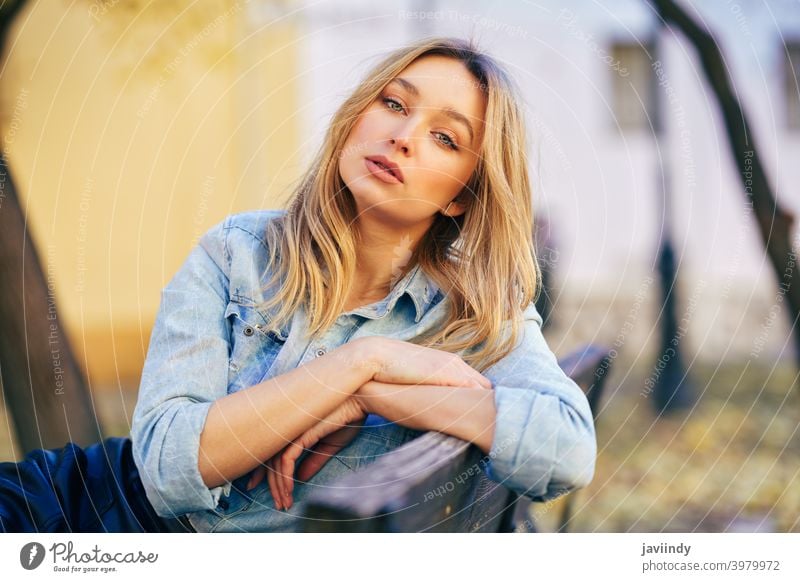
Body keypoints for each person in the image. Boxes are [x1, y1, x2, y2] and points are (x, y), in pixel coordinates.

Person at [0, 37, 595, 533]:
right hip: (80, 508)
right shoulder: (236, 253)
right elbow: (162, 465)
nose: (404, 136)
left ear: (462, 197)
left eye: (446, 138)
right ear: (357, 116)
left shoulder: (473, 314)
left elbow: (567, 449)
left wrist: (372, 396)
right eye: (393, 104)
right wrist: (365, 363)